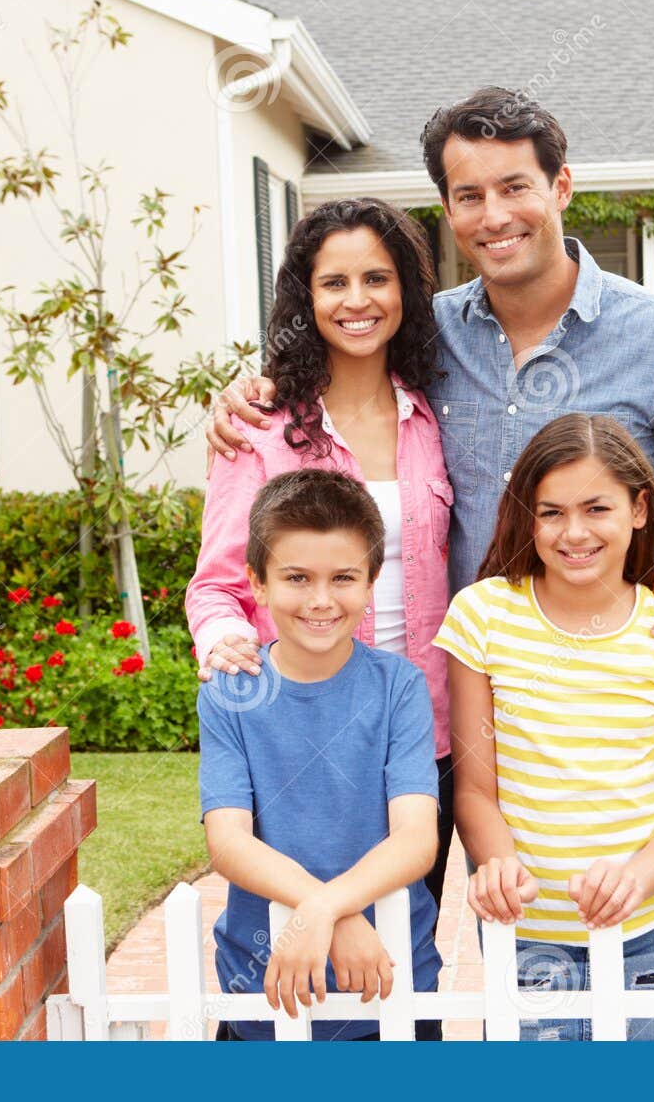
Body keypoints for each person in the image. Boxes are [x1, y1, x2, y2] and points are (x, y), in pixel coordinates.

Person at [207, 86, 654, 676]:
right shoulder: (425, 334)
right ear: (448, 212)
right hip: (468, 688)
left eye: (514, 187)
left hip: (615, 686)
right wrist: (254, 393)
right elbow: (341, 363)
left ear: (562, 187)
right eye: (469, 196)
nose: (494, 216)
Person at [185, 197, 457, 917]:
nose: (357, 300)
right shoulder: (261, 430)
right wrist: (227, 645)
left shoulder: (436, 414)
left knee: (406, 946)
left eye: (377, 278)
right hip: (304, 733)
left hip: (425, 729)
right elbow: (215, 585)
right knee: (303, 941)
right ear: (307, 298)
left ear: (405, 288)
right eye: (334, 283)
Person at [433, 414, 654, 1042]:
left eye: (597, 508)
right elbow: (475, 791)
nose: (575, 532)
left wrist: (635, 879)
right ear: (528, 518)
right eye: (552, 512)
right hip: (529, 937)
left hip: (651, 936)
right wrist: (500, 865)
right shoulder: (482, 617)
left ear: (640, 509)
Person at [198, 469, 441, 1041]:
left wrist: (324, 910)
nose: (321, 600)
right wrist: (326, 909)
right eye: (297, 578)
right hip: (264, 984)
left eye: (343, 578)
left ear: (373, 580)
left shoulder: (399, 687)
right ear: (257, 583)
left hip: (389, 975)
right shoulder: (230, 692)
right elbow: (228, 842)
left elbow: (416, 838)